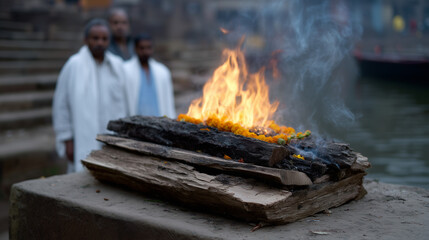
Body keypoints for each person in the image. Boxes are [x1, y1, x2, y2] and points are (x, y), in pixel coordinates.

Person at [52, 19, 130, 173]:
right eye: (95, 38)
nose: (100, 42)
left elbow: (127, 103)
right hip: (83, 137)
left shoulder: (117, 66)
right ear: (85, 39)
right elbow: (61, 105)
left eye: (104, 39)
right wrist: (67, 139)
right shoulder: (73, 65)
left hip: (111, 138)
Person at [124, 33, 176, 117]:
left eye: (148, 48)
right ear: (135, 49)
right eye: (142, 48)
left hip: (159, 124)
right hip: (135, 124)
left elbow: (168, 102)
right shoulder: (125, 70)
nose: (145, 51)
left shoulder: (162, 71)